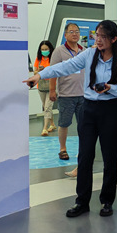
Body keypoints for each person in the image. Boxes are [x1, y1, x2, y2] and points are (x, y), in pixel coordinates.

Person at [25, 20, 117, 218]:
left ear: (113, 39)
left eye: (103, 37)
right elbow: (64, 67)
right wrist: (39, 76)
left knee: (110, 157)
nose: (98, 40)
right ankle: (81, 202)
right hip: (88, 109)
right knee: (85, 156)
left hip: (110, 110)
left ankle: (107, 201)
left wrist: (111, 88)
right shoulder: (89, 54)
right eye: (96, 35)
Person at [49, 23, 86, 171]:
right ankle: (63, 149)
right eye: (71, 32)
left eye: (77, 31)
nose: (75, 34)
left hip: (83, 95)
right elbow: (53, 71)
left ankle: (82, 150)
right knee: (64, 123)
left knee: (83, 125)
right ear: (65, 35)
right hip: (66, 95)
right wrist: (52, 90)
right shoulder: (59, 51)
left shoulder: (84, 50)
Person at [33, 40, 57, 136]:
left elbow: (56, 71)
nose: (44, 51)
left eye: (46, 49)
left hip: (52, 86)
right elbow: (35, 72)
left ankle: (44, 128)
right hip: (41, 86)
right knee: (46, 106)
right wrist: (39, 70)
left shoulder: (54, 58)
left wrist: (47, 70)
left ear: (50, 49)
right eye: (42, 49)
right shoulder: (38, 59)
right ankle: (52, 124)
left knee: (47, 107)